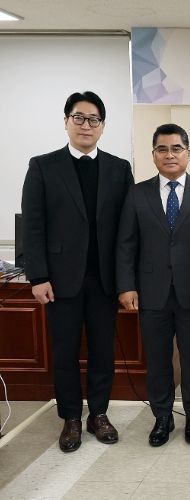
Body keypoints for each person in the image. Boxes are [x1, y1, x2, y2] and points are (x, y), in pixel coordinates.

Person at [21, 91, 134, 452]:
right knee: (65, 353)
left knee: (103, 351)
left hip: (104, 280)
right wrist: (38, 276)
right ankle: (70, 417)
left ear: (103, 126)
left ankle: (98, 413)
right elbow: (33, 225)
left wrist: (127, 280)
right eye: (79, 118)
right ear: (67, 121)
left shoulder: (119, 168)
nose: (87, 125)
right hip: (60, 280)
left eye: (94, 119)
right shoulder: (44, 166)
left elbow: (128, 230)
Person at [116, 123, 190, 446]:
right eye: (162, 149)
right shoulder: (137, 193)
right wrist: (126, 286)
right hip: (151, 293)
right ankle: (162, 417)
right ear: (153, 155)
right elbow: (126, 244)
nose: (170, 155)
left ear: (188, 153)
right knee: (158, 360)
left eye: (176, 148)